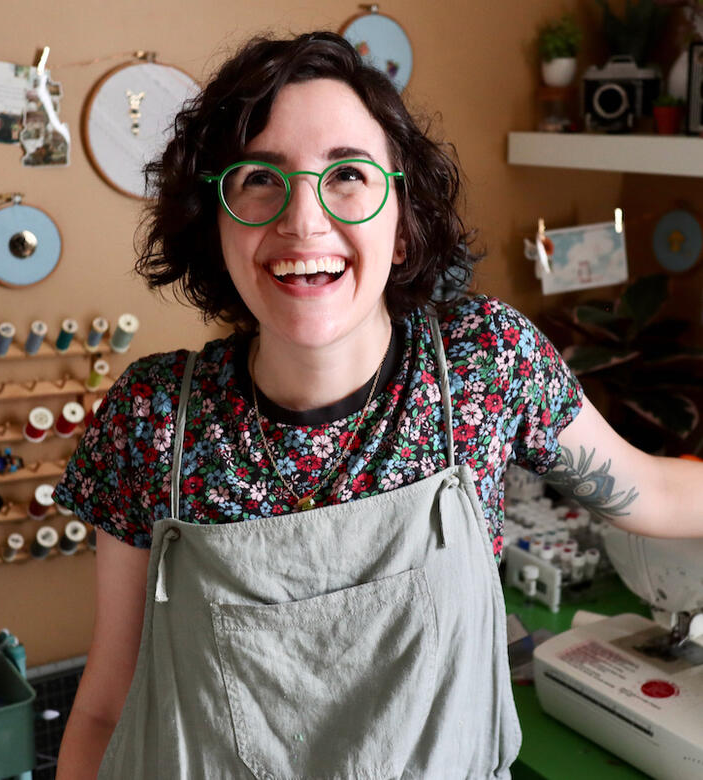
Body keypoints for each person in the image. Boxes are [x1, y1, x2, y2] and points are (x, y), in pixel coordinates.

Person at [53, 31, 703, 779]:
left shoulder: (484, 366)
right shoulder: (153, 416)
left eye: (349, 176)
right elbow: (106, 705)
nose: (303, 220)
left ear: (402, 225)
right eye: (259, 178)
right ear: (218, 222)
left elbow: (649, 490)